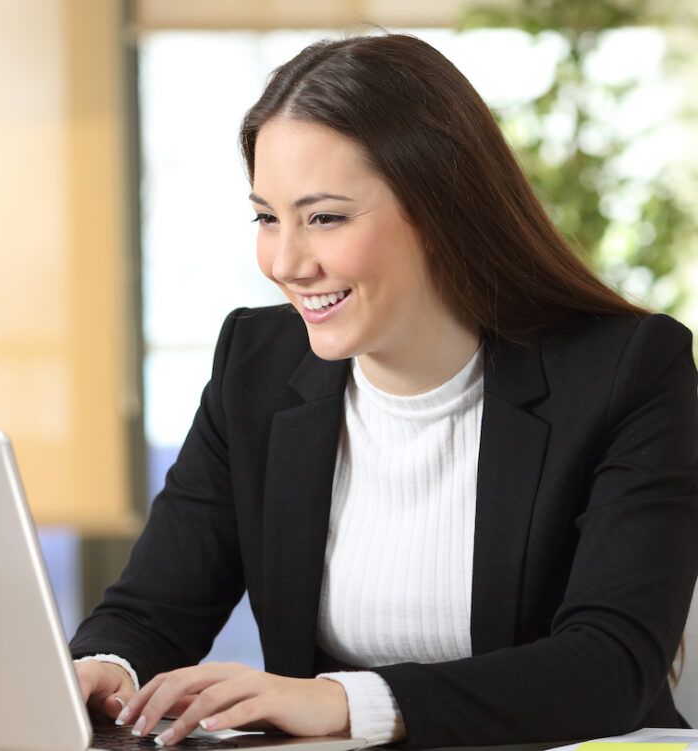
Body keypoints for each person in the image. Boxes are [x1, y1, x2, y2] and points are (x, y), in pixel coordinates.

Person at [69, 33, 698, 749]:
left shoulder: (629, 370)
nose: (286, 261)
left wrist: (343, 701)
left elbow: (610, 667)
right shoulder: (257, 364)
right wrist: (107, 664)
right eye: (267, 217)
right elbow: (153, 608)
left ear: (442, 207)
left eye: (325, 217)